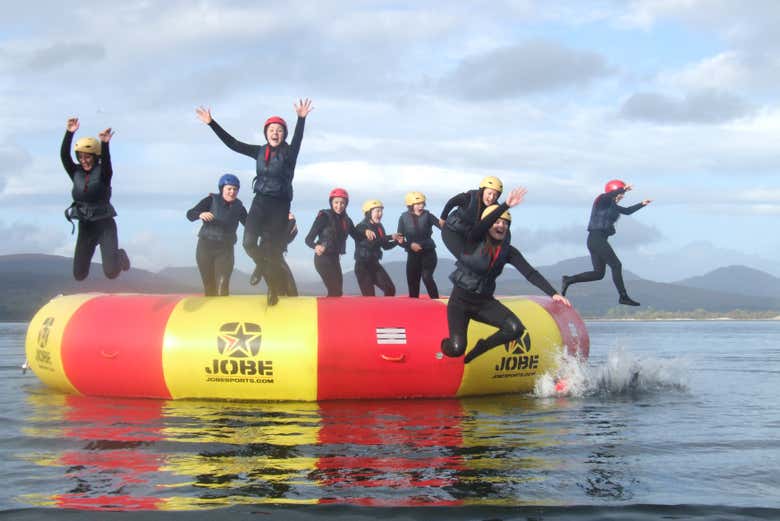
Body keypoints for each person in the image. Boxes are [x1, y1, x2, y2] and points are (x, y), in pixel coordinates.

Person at [195, 98, 313, 306]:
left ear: (283, 134)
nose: (275, 133)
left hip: (279, 205)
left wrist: (300, 119)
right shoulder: (259, 151)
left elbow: (299, 138)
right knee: (248, 242)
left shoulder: (289, 154)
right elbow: (233, 144)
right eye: (271, 130)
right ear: (266, 133)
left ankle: (273, 290)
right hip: (260, 203)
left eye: (279, 130)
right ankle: (261, 266)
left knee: (274, 251)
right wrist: (211, 123)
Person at [440, 188, 571, 364]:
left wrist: (554, 293)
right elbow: (480, 226)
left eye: (505, 223)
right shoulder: (473, 240)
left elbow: (530, 273)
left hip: (484, 303)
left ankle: (482, 347)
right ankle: (440, 346)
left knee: (515, 329)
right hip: (460, 302)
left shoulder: (508, 252)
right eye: (497, 222)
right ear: (488, 224)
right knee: (456, 349)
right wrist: (506, 205)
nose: (500, 225)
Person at [561, 180, 652, 306]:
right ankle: (623, 297)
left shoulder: (612, 206)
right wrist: (624, 189)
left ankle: (569, 279)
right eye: (620, 193)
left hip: (596, 240)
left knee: (598, 274)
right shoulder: (602, 199)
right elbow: (610, 195)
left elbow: (627, 211)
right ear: (614, 191)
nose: (622, 196)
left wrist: (642, 204)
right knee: (616, 265)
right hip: (596, 238)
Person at [60, 117, 130, 281]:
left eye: (88, 157)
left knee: (111, 272)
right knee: (79, 275)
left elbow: (106, 162)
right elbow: (64, 156)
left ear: (95, 156)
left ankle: (120, 256)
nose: (84, 160)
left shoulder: (104, 174)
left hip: (105, 225)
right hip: (86, 226)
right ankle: (106, 259)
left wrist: (105, 143)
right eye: (81, 157)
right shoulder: (75, 172)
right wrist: (69, 133)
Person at [186, 174, 247, 296]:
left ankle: (224, 314)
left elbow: (250, 224)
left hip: (225, 251)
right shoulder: (211, 200)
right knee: (209, 288)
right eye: (229, 188)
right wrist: (200, 214)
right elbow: (190, 214)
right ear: (222, 189)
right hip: (205, 248)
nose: (232, 192)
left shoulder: (239, 207)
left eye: (235, 189)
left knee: (222, 288)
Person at [304, 188, 369, 297]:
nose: (339, 206)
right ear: (331, 203)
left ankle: (330, 313)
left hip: (335, 260)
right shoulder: (324, 217)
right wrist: (316, 246)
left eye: (342, 203)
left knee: (337, 293)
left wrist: (366, 231)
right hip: (322, 259)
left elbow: (357, 236)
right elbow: (308, 239)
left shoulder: (347, 220)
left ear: (346, 204)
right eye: (336, 202)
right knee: (335, 291)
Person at [439, 176, 503, 257]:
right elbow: (452, 202)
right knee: (466, 259)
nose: (491, 198)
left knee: (480, 260)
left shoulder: (496, 208)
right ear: (482, 191)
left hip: (470, 235)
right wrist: (443, 218)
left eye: (495, 195)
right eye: (489, 193)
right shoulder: (469, 197)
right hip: (452, 231)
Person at [397, 192, 442, 298]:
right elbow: (400, 239)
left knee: (427, 277)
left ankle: (436, 302)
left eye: (422, 203)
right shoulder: (403, 218)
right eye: (417, 204)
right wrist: (410, 245)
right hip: (413, 254)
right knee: (412, 282)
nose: (421, 206)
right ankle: (413, 308)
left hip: (428, 253)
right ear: (410, 205)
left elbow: (443, 227)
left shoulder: (428, 216)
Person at [354, 199, 399, 297]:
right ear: (369, 213)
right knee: (370, 297)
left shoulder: (379, 226)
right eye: (377, 211)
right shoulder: (361, 226)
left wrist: (396, 242)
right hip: (362, 267)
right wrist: (391, 236)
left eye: (381, 211)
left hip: (374, 265)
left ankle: (386, 311)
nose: (380, 213)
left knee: (390, 289)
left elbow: (385, 245)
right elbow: (361, 231)